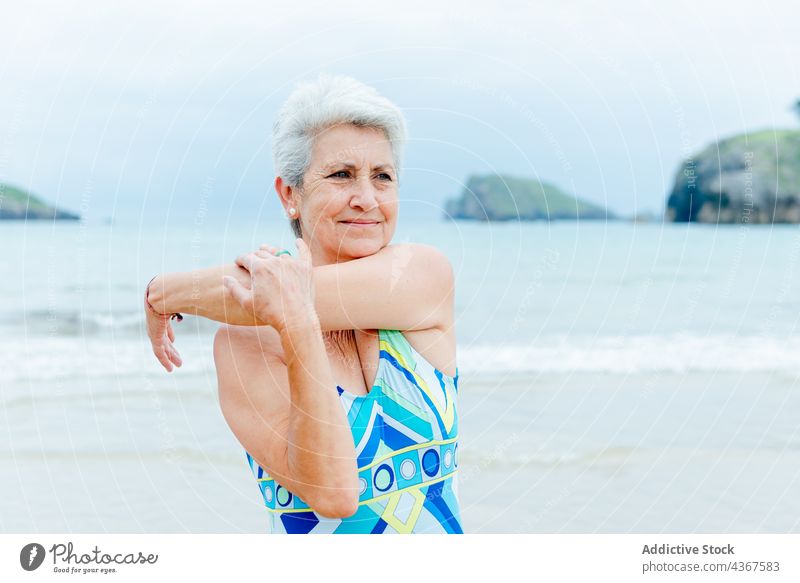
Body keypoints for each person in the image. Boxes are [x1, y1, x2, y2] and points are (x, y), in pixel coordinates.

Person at [144, 73, 462, 534]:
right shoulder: (245, 344)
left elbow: (289, 292)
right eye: (341, 175)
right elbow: (333, 494)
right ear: (290, 194)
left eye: (383, 177)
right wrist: (296, 326)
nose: (367, 199)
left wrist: (162, 292)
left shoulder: (422, 276)